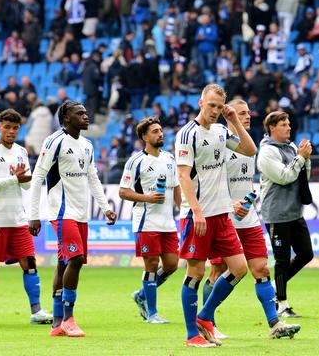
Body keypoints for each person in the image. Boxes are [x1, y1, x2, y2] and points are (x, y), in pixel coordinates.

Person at [203, 100, 302, 339]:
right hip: (223, 216)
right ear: (229, 115)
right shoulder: (221, 144)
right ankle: (208, 321)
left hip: (248, 218)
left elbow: (246, 180)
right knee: (218, 269)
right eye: (242, 113)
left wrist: (249, 200)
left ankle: (274, 324)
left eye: (248, 113)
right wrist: (230, 205)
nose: (248, 116)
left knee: (261, 268)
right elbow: (211, 182)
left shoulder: (248, 144)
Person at [174, 84, 257, 348]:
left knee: (239, 268)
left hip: (221, 215)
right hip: (197, 216)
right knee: (195, 273)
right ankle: (192, 336)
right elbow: (183, 175)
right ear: (200, 103)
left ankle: (205, 316)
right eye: (211, 106)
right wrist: (196, 211)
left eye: (220, 107)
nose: (215, 111)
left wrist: (234, 121)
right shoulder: (188, 134)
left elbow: (249, 150)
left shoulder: (222, 131)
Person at [28, 100, 117, 337]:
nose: (86, 117)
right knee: (76, 259)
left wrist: (105, 207)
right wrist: (34, 215)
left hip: (81, 214)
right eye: (80, 114)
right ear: (66, 118)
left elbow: (93, 177)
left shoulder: (87, 145)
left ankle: (57, 324)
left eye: (86, 113)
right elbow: (38, 176)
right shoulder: (54, 141)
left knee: (63, 263)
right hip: (61, 212)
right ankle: (68, 318)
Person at [0, 109, 53, 325]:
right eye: (7, 127)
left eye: (15, 128)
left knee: (30, 263)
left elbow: (26, 185)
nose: (11, 131)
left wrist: (28, 178)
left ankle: (36, 311)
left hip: (18, 219)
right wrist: (13, 179)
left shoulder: (21, 151)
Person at [118, 117, 181, 324]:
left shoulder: (170, 159)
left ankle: (141, 295)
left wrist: (183, 208)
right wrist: (147, 198)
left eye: (161, 130)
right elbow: (123, 191)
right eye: (154, 131)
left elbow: (176, 187)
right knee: (151, 264)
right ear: (145, 137)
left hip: (168, 223)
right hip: (146, 222)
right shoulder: (136, 161)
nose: (160, 134)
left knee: (172, 265)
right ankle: (152, 313)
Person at [257, 111, 313, 318]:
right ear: (272, 128)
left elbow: (301, 176)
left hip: (294, 211)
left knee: (306, 253)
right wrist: (300, 157)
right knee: (281, 260)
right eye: (283, 124)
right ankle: (282, 305)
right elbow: (284, 177)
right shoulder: (267, 152)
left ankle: (274, 285)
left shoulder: (289, 148)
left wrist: (305, 160)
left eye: (288, 123)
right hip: (277, 213)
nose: (289, 127)